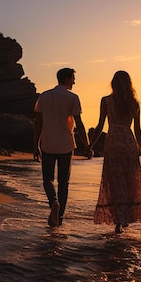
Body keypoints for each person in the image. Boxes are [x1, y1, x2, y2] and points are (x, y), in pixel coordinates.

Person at [88, 70, 141, 234]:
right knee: (129, 182)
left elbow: (100, 125)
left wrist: (90, 145)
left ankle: (118, 222)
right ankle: (124, 217)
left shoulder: (106, 101)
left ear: (113, 83)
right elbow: (138, 129)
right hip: (128, 142)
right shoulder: (134, 103)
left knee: (114, 182)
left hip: (113, 142)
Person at [34, 67, 90, 227]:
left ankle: (53, 203)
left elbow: (38, 123)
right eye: (73, 78)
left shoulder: (44, 96)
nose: (74, 81)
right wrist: (86, 145)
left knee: (47, 179)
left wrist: (35, 146)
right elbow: (79, 123)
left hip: (47, 143)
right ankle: (59, 219)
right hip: (66, 144)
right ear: (66, 79)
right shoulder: (73, 97)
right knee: (64, 183)